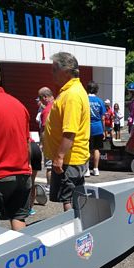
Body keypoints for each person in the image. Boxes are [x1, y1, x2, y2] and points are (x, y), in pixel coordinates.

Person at [43, 52, 90, 212]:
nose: (52, 73)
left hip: (70, 159)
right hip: (72, 158)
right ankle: (78, 228)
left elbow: (70, 131)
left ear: (67, 71)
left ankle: (76, 232)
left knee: (69, 199)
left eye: (54, 69)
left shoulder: (72, 95)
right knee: (73, 197)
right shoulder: (72, 91)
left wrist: (59, 157)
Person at [0, 59, 32, 230]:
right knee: (18, 217)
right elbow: (27, 143)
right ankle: (25, 254)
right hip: (22, 174)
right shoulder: (18, 104)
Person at [87, 81, 106, 176]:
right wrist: (104, 130)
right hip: (98, 127)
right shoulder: (100, 101)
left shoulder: (85, 99)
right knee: (96, 149)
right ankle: (95, 168)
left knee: (86, 148)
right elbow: (103, 117)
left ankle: (86, 169)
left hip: (86, 127)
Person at [38, 86, 54, 192]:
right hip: (60, 141)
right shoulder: (58, 104)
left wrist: (42, 144)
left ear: (44, 97)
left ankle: (49, 186)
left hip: (50, 142)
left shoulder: (46, 110)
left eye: (40, 98)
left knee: (49, 166)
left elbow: (44, 131)